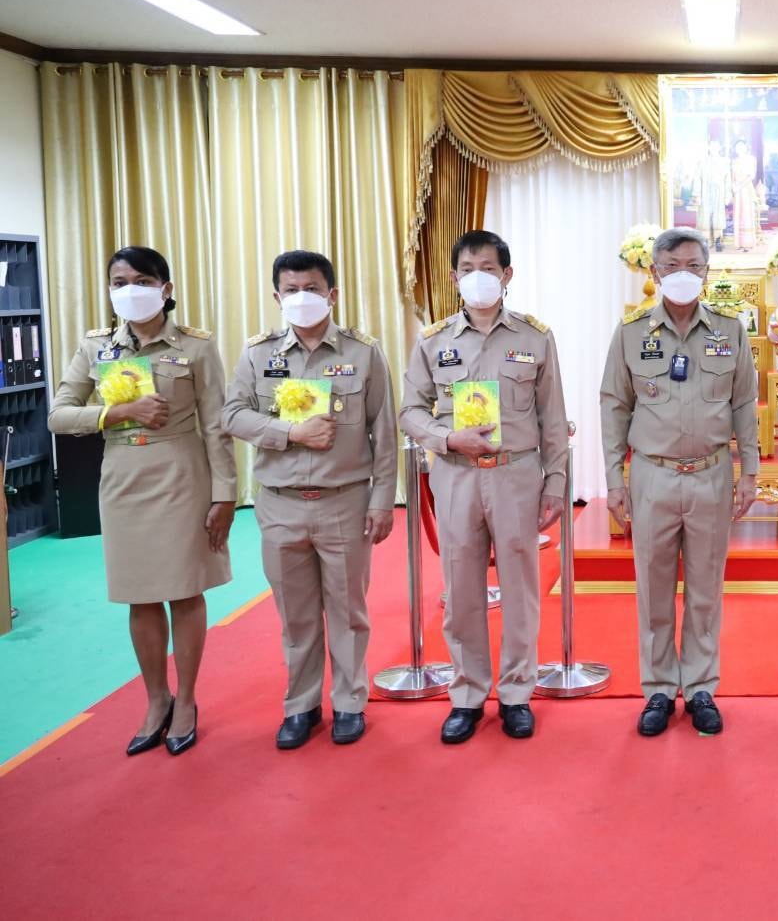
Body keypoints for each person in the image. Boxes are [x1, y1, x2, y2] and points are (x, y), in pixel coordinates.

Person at [48, 246, 236, 756]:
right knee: (141, 595)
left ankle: (187, 699)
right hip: (123, 478)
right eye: (119, 282)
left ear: (165, 289)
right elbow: (59, 415)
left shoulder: (195, 346)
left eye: (142, 281)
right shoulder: (97, 347)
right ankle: (157, 699)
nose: (129, 290)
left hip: (181, 475)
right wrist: (117, 412)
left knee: (185, 590)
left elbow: (217, 426)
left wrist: (224, 494)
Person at [221, 250, 397, 749]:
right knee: (295, 615)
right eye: (292, 290)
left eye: (312, 289)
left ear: (332, 294)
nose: (302, 298)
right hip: (280, 503)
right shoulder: (258, 354)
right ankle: (300, 705)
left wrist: (383, 500)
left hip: (345, 500)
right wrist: (289, 432)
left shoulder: (363, 352)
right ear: (277, 298)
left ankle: (349, 702)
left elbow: (384, 431)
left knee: (348, 611)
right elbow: (232, 415)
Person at [400, 230, 569, 744]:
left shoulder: (535, 337)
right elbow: (410, 411)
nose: (479, 277)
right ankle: (468, 695)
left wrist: (556, 482)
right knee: (461, 590)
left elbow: (553, 418)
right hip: (456, 476)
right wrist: (447, 437)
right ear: (454, 278)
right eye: (468, 269)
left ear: (506, 275)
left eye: (489, 268)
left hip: (517, 474)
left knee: (520, 589)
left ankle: (516, 693)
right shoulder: (433, 341)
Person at [600, 227, 760, 736]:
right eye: (672, 266)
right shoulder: (631, 332)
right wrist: (614, 479)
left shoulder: (730, 330)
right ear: (654, 272)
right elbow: (614, 406)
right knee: (653, 588)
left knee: (706, 588)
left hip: (711, 473)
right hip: (653, 475)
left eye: (693, 266)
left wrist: (750, 471)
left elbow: (744, 404)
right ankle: (658, 688)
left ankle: (701, 687)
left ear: (707, 272)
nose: (683, 275)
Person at [696, 139, 730, 252]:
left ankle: (718, 240)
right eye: (712, 146)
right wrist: (697, 195)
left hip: (719, 193)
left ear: (719, 148)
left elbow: (727, 180)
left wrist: (727, 195)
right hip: (705, 193)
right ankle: (706, 241)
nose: (714, 148)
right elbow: (697, 179)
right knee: (705, 216)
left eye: (716, 146)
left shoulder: (724, 162)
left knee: (718, 217)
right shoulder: (702, 162)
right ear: (708, 147)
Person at [730, 139, 760, 251]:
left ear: (746, 147)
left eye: (742, 146)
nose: (740, 148)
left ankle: (748, 243)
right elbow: (732, 176)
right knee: (738, 214)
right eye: (737, 146)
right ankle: (739, 243)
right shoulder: (734, 161)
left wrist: (739, 186)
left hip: (746, 189)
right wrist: (733, 186)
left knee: (747, 215)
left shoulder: (751, 159)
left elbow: (751, 176)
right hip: (737, 191)